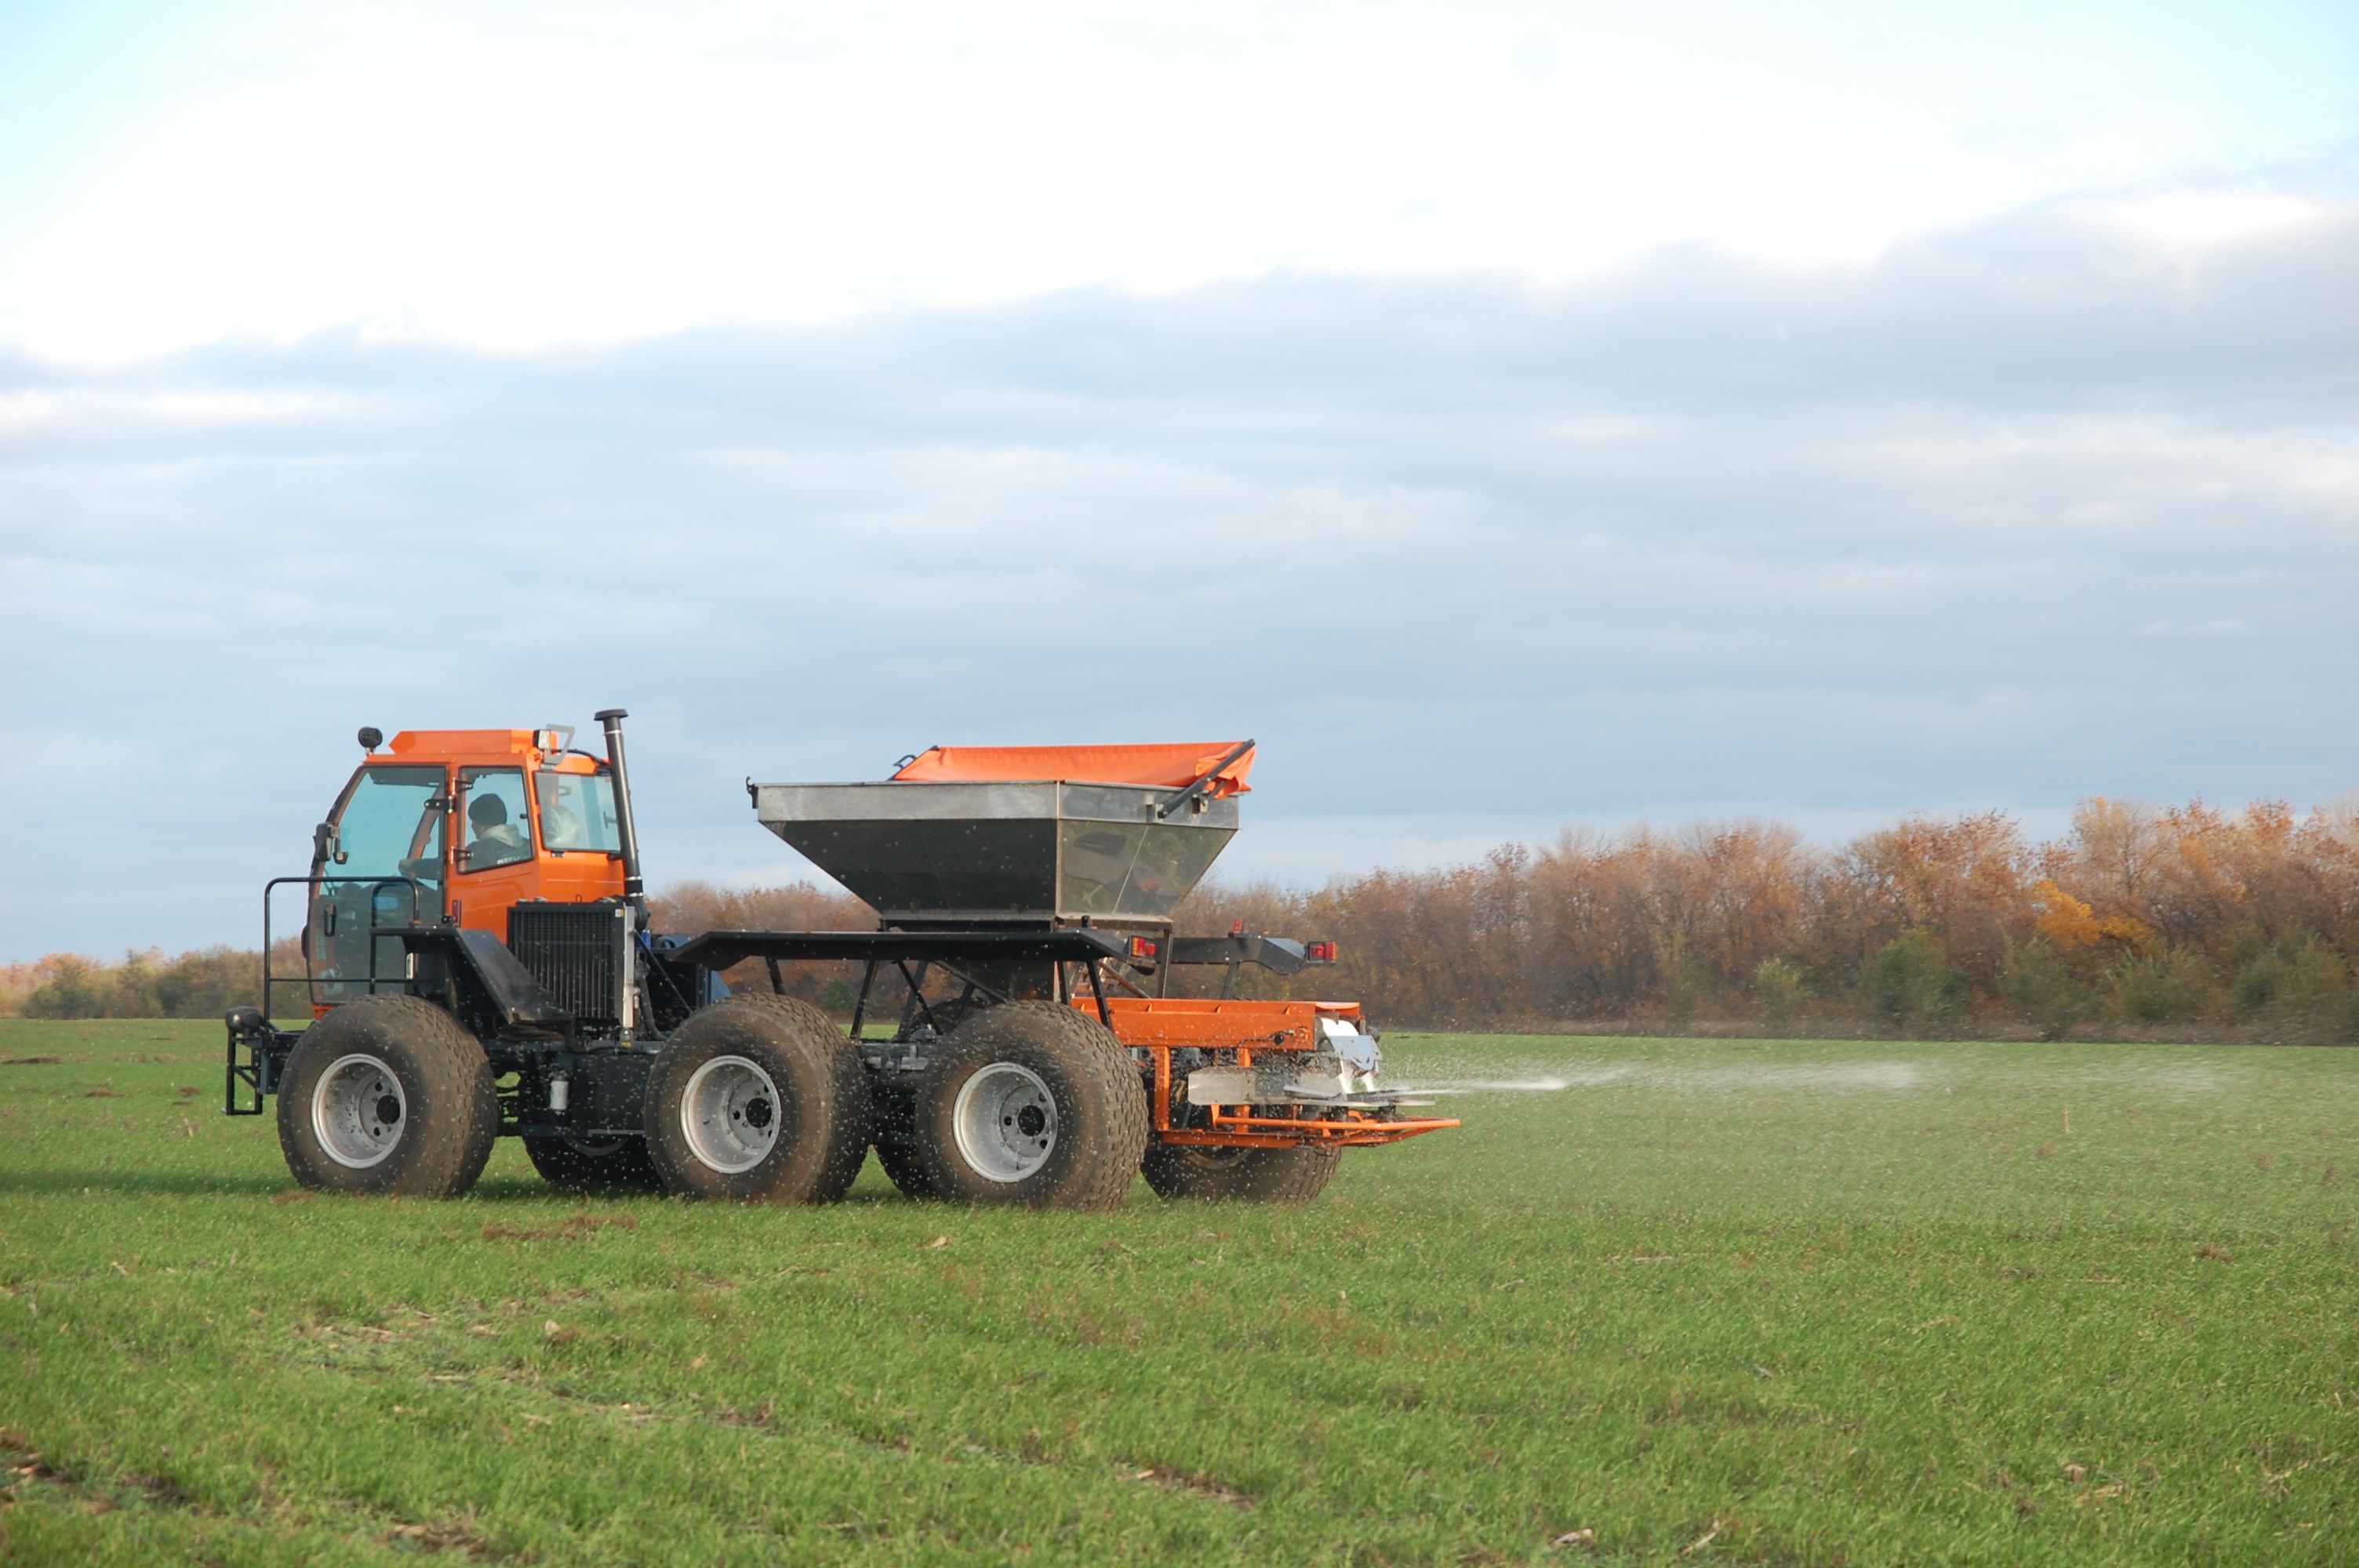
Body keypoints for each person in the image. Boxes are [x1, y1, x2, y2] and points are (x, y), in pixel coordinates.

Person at [467, 793, 532, 870]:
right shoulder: (530, 847)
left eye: (473, 821)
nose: (472, 826)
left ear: (484, 823)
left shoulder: (473, 853)